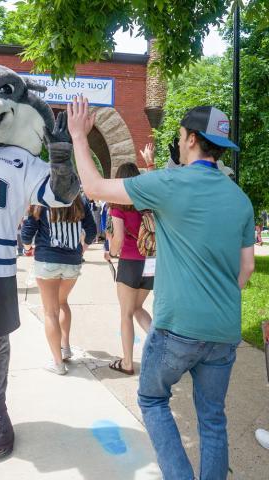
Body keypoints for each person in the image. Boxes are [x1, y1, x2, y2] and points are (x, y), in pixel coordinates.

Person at [68, 97, 255, 480]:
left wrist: (78, 136)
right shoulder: (240, 199)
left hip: (176, 327)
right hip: (224, 330)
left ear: (188, 139)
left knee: (152, 399)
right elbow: (247, 269)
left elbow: (94, 186)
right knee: (213, 420)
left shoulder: (169, 183)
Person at [21, 194, 96, 374]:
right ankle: (66, 347)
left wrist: (27, 248)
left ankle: (58, 364)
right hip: (72, 261)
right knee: (62, 303)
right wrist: (81, 249)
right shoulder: (79, 199)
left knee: (50, 311)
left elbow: (27, 232)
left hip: (47, 260)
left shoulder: (42, 198)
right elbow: (92, 231)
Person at [107, 162, 153, 375]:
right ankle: (158, 346)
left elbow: (119, 238)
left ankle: (127, 363)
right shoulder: (147, 203)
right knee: (138, 308)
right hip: (151, 262)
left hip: (130, 262)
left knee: (126, 313)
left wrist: (111, 253)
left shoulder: (119, 206)